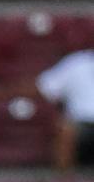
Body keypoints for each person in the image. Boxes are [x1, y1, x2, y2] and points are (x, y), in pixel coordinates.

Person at [35, 41, 94, 171]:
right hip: (81, 123)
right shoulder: (77, 62)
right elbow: (45, 88)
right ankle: (63, 180)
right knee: (66, 130)